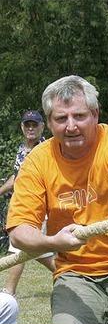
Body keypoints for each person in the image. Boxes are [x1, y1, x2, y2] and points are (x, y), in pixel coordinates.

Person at [6, 75, 108, 324]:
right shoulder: (37, 161)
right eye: (61, 118)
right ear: (49, 123)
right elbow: (19, 231)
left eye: (79, 116)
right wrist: (53, 241)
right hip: (76, 271)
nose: (71, 126)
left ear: (95, 114)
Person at [0, 110, 56, 298]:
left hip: (38, 206)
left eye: (35, 124)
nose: (31, 128)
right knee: (40, 253)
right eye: (27, 124)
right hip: (23, 204)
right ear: (22, 127)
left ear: (42, 126)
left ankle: (9, 292)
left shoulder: (45, 148)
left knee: (19, 245)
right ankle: (70, 275)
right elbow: (17, 177)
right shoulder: (22, 149)